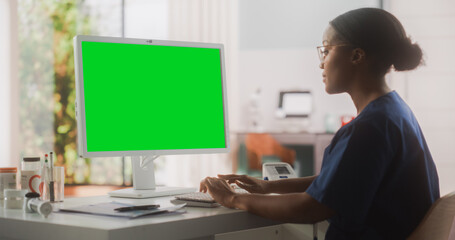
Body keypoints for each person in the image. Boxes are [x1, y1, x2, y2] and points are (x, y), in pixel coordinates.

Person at [199, 8, 440, 240]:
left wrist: (232, 199)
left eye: (326, 51)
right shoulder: (394, 111)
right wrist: (266, 187)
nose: (321, 63)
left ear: (357, 56)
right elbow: (341, 181)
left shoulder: (369, 127)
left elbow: (312, 208)